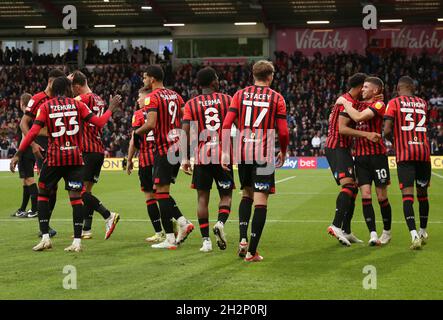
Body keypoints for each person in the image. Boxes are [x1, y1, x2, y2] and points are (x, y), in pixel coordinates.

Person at [10, 77, 122, 252]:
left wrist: (18, 154)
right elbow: (100, 123)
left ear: (54, 90)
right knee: (76, 198)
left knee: (43, 195)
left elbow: (32, 132)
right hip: (75, 158)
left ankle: (46, 238)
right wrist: (110, 109)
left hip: (54, 158)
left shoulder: (45, 107)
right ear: (68, 89)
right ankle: (77, 242)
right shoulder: (78, 105)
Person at [221, 60, 289, 262]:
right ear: (271, 76)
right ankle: (251, 251)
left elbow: (226, 124)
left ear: (253, 75)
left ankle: (242, 239)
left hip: (243, 152)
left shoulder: (239, 95)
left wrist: (226, 151)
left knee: (246, 194)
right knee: (261, 200)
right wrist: (283, 151)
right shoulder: (277, 98)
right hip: (264, 153)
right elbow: (283, 132)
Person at [135, 65, 194, 250]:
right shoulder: (176, 96)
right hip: (176, 146)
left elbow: (151, 124)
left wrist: (137, 132)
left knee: (160, 193)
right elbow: (186, 119)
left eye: (145, 78)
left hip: (164, 148)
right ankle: (182, 223)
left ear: (152, 79)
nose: (144, 81)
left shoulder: (152, 98)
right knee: (162, 191)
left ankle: (170, 238)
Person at [181, 67, 234, 253]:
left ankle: (206, 242)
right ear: (213, 82)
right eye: (217, 78)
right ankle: (220, 222)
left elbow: (185, 132)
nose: (219, 80)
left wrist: (184, 157)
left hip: (202, 155)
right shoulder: (227, 100)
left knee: (202, 198)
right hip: (223, 155)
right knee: (226, 196)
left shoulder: (191, 104)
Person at [325, 73, 380, 246]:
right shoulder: (346, 100)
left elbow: (331, 119)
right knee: (348, 185)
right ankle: (335, 225)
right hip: (337, 146)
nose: (365, 90)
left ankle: (346, 230)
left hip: (343, 148)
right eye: (364, 87)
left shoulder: (348, 101)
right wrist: (367, 134)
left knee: (354, 188)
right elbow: (341, 129)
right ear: (359, 87)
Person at [339, 77, 393, 246]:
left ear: (375, 91)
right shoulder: (358, 104)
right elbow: (346, 122)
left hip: (377, 157)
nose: (362, 89)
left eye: (366, 87)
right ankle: (373, 234)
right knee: (366, 195)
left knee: (381, 196)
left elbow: (359, 117)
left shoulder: (379, 105)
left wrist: (344, 102)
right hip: (360, 158)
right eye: (362, 87)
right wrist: (348, 103)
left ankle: (387, 231)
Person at [69, 70, 120, 240]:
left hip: (86, 150)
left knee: (79, 191)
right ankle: (87, 229)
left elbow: (63, 104)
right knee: (87, 191)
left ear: (77, 86)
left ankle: (108, 215)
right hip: (98, 149)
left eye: (71, 86)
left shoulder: (80, 99)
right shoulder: (98, 99)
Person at [384, 76, 431, 250]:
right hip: (424, 154)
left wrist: (395, 142)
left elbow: (387, 130)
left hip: (405, 155)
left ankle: (414, 236)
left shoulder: (394, 103)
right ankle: (423, 230)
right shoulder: (423, 103)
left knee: (408, 197)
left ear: (399, 87)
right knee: (423, 194)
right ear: (413, 87)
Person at [20, 69, 65, 228]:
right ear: (51, 82)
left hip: (59, 144)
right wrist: (32, 144)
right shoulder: (37, 99)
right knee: (46, 185)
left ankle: (47, 222)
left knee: (55, 188)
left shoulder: (62, 98)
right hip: (42, 144)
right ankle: (44, 226)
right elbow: (23, 123)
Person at [127, 86, 164, 243]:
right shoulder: (159, 113)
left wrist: (129, 160)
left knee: (150, 196)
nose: (137, 100)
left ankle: (160, 231)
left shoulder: (138, 115)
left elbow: (134, 140)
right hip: (161, 158)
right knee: (163, 194)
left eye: (140, 97)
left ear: (147, 98)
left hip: (146, 160)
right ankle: (178, 222)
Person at [11, 93, 39, 219]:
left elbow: (25, 137)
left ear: (22, 103)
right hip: (29, 151)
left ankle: (35, 209)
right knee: (25, 181)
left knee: (29, 179)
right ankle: (22, 209)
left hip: (25, 151)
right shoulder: (33, 116)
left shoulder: (26, 118)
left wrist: (19, 153)